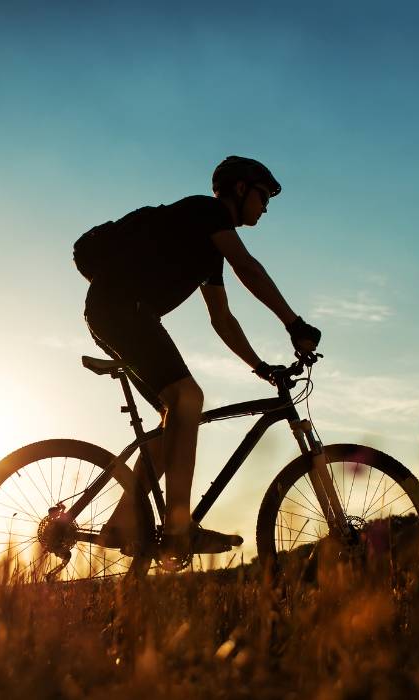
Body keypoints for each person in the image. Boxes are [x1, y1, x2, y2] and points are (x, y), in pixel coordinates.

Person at [76, 156, 321, 557]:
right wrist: (294, 324)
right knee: (187, 398)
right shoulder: (204, 212)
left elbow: (222, 319)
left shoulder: (208, 251)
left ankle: (123, 523)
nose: (266, 207)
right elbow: (249, 269)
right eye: (263, 196)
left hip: (120, 313)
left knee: (174, 412)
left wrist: (260, 367)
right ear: (240, 189)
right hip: (121, 310)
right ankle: (178, 526)